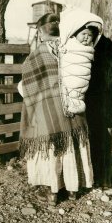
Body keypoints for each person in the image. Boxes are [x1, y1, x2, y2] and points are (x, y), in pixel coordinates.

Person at [18, 12, 93, 206]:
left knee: (52, 149)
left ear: (41, 33)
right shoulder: (72, 48)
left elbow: (27, 85)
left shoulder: (37, 55)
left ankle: (51, 193)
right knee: (72, 148)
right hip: (74, 111)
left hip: (50, 113)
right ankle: (72, 190)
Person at [58, 6, 103, 117]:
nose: (86, 38)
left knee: (80, 85)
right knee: (71, 84)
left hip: (83, 71)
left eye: (90, 36)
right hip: (71, 70)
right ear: (75, 34)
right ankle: (72, 101)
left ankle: (76, 101)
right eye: (84, 34)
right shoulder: (70, 44)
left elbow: (86, 66)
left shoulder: (89, 48)